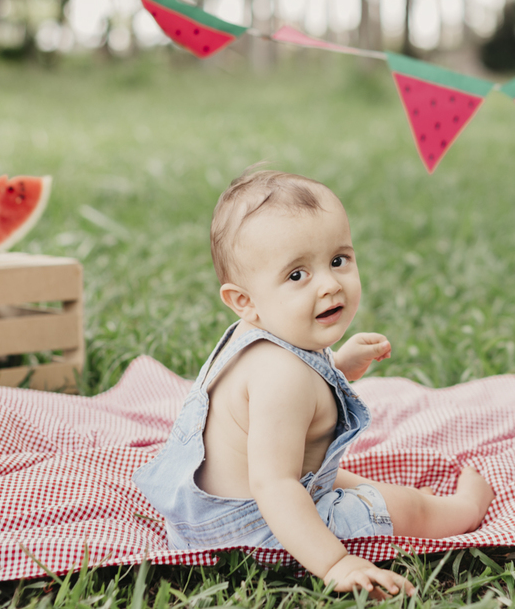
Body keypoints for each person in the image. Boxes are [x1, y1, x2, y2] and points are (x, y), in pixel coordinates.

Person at [134, 169, 493, 598]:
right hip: (259, 529)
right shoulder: (280, 377)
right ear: (243, 301)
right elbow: (276, 485)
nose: (329, 284)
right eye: (297, 275)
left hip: (208, 508)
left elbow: (302, 391)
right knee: (404, 507)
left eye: (338, 260)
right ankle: (463, 511)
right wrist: (335, 562)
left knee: (351, 479)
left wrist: (339, 365)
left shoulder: (263, 332)